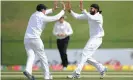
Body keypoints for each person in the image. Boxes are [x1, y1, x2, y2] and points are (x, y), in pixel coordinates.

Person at [23, 2, 66, 80]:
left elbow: (45, 12)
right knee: (43, 58)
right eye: (45, 10)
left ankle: (27, 70)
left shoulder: (33, 15)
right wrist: (63, 10)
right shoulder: (42, 17)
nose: (45, 11)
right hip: (35, 39)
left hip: (26, 39)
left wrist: (53, 9)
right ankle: (46, 77)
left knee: (31, 56)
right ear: (42, 10)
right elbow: (55, 18)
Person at [67, 2, 107, 79]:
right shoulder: (89, 15)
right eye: (90, 8)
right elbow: (77, 17)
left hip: (96, 39)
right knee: (87, 58)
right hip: (93, 39)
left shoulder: (99, 16)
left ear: (96, 10)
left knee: (84, 54)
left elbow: (92, 18)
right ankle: (102, 68)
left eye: (91, 8)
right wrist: (70, 11)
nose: (90, 9)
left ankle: (77, 73)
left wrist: (83, 10)